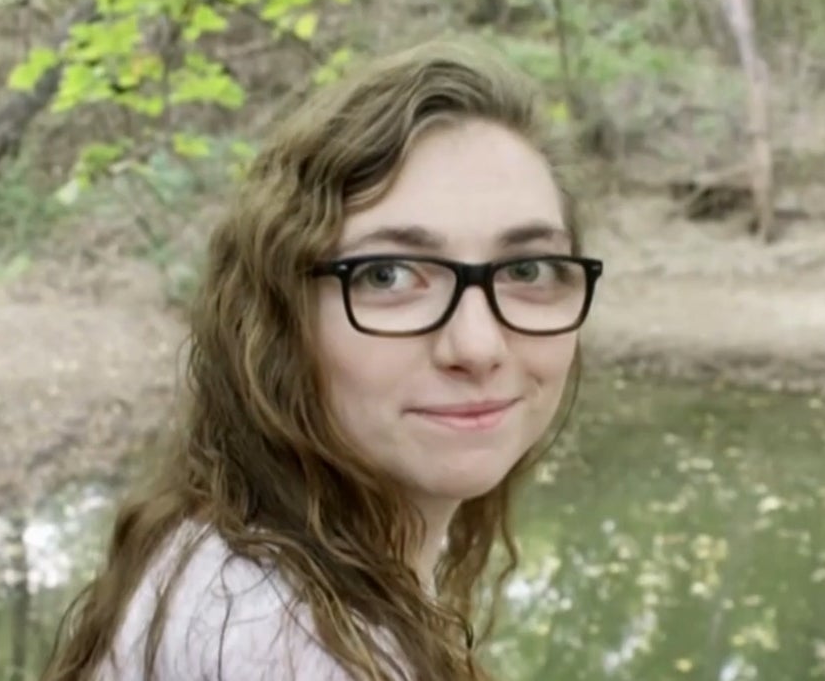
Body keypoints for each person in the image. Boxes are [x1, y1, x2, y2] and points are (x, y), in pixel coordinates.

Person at [40, 39, 603, 681]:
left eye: (527, 268)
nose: (477, 346)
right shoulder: (280, 641)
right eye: (387, 275)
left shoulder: (232, 555)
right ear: (278, 317)